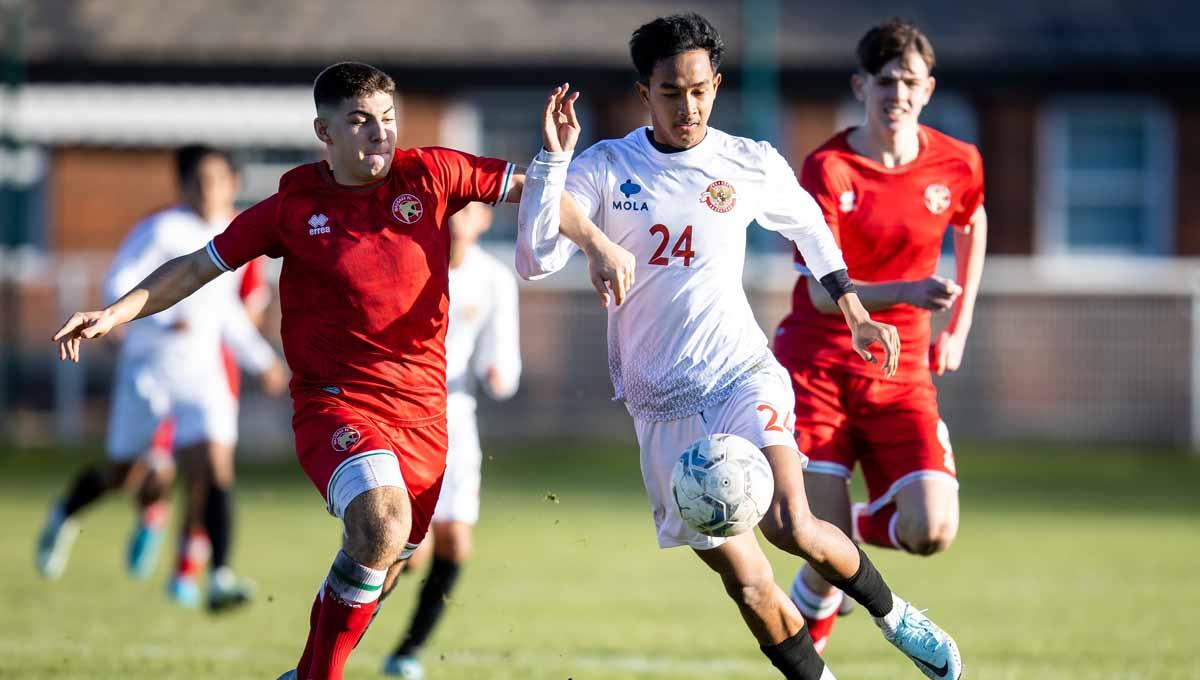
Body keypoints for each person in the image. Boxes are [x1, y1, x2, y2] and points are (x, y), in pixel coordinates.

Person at [52, 61, 631, 680]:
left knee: (389, 557)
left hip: (426, 419)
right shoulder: (294, 206)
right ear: (324, 132)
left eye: (387, 120)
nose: (379, 134)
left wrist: (596, 242)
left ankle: (305, 673)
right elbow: (199, 265)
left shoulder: (431, 173)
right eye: (359, 122)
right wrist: (116, 312)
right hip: (336, 405)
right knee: (381, 523)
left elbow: (533, 192)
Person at [517, 13, 962, 680]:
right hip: (658, 408)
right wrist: (557, 167)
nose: (687, 107)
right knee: (749, 584)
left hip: (740, 376)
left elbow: (812, 231)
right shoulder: (606, 167)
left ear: (717, 85)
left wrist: (853, 311)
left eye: (700, 90)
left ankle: (895, 615)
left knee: (791, 521)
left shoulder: (746, 161)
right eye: (671, 93)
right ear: (646, 93)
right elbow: (534, 258)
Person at [773, 18, 986, 654]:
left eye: (910, 82)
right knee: (828, 556)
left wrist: (958, 326)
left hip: (901, 373)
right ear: (861, 85)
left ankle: (844, 526)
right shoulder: (829, 167)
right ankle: (812, 631)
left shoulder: (958, 161)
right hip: (818, 368)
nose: (897, 93)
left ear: (928, 90)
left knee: (933, 530)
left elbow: (973, 223)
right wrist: (907, 293)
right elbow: (817, 289)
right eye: (885, 81)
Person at [35, 145, 287, 614]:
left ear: (233, 184)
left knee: (213, 468)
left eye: (217, 179)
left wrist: (262, 360)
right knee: (125, 474)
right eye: (199, 180)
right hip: (149, 370)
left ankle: (220, 575)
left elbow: (226, 312)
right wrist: (157, 322)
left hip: (203, 374)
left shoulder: (234, 236)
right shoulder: (161, 229)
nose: (208, 189)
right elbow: (118, 284)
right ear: (183, 184)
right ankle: (63, 516)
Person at [381, 203, 521, 678]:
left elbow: (504, 359)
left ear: (485, 220)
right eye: (452, 207)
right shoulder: (410, 264)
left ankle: (407, 651)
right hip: (402, 419)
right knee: (405, 547)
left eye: (472, 208)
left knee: (455, 542)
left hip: (456, 422)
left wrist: (499, 374)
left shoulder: (494, 279)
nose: (461, 215)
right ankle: (339, 631)